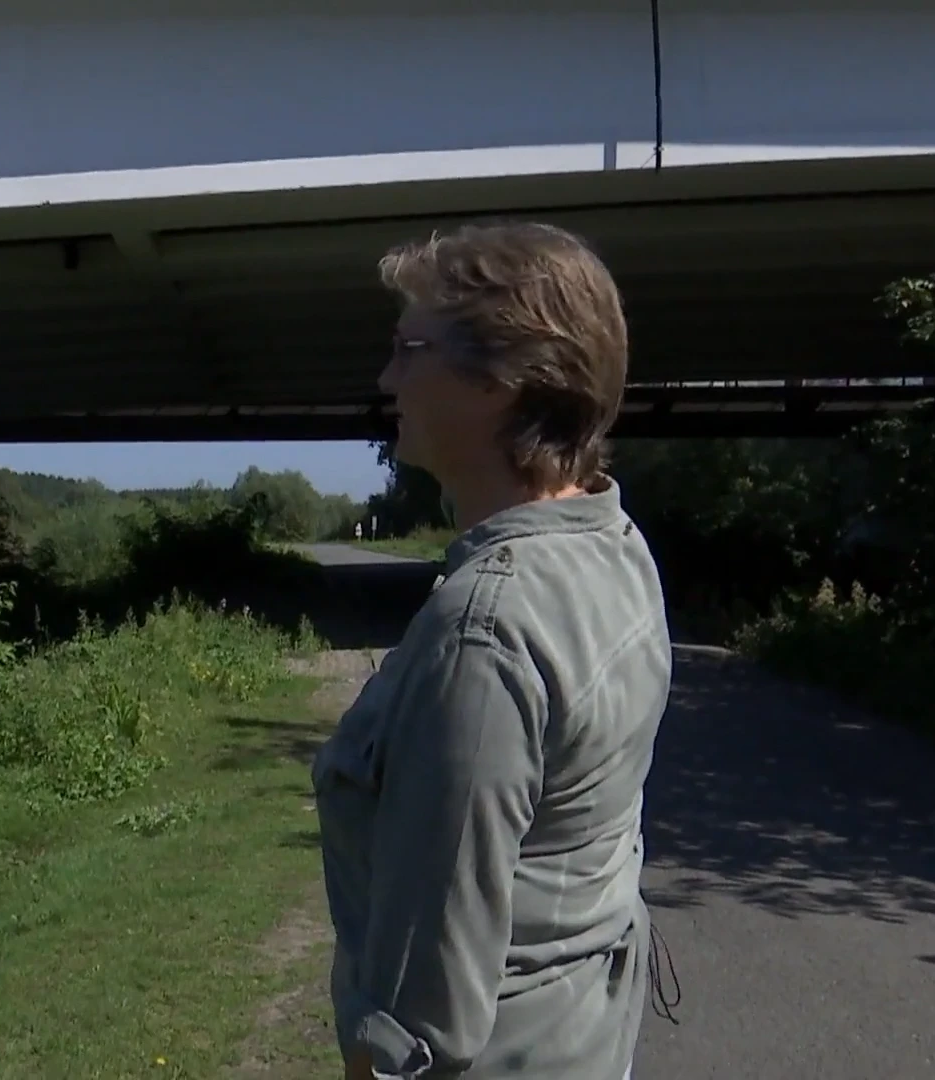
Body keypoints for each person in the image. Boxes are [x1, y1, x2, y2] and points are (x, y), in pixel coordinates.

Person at [314, 222, 671, 1080]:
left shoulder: (486, 629)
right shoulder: (615, 544)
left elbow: (417, 1031)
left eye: (409, 348)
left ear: (504, 378)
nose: (387, 377)